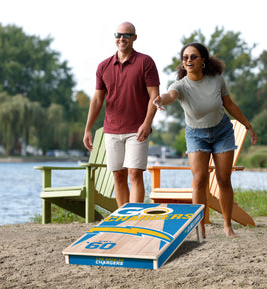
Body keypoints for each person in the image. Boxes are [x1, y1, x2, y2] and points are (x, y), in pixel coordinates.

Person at [153, 43, 257, 238]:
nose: (189, 60)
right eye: (185, 58)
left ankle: (227, 226)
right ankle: (200, 227)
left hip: (222, 132)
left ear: (202, 60)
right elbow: (170, 96)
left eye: (193, 57)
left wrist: (247, 125)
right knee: (199, 180)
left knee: (223, 179)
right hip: (196, 135)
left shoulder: (216, 80)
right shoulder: (180, 85)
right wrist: (160, 100)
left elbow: (229, 104)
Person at [83, 22, 160, 208]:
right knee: (118, 175)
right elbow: (97, 100)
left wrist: (147, 123)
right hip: (112, 130)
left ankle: (135, 219)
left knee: (134, 173)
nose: (122, 38)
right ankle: (124, 219)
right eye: (118, 34)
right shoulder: (104, 66)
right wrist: (87, 130)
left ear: (134, 37)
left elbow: (154, 96)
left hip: (137, 129)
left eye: (127, 35)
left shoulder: (145, 62)